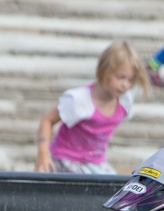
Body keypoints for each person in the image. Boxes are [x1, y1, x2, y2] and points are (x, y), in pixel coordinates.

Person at [35, 41, 150, 172]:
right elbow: (47, 120)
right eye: (120, 77)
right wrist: (43, 155)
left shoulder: (125, 101)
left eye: (130, 80)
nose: (125, 85)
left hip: (96, 161)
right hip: (66, 160)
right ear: (104, 71)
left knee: (114, 187)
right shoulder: (80, 100)